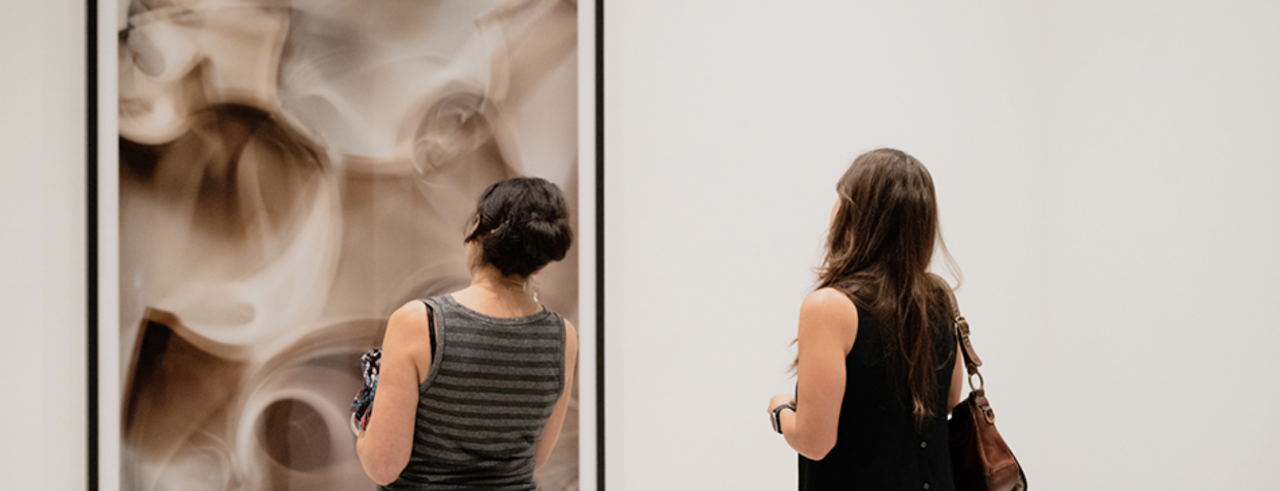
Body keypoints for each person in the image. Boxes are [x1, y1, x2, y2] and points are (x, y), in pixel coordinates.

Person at [357, 177, 578, 490]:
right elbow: (534, 456)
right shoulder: (562, 337)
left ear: (476, 230)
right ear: (540, 263)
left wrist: (362, 424)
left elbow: (383, 466)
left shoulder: (420, 322)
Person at [766, 148, 966, 490]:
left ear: (855, 214)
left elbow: (816, 442)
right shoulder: (940, 297)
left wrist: (781, 411)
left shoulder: (830, 307)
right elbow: (948, 398)